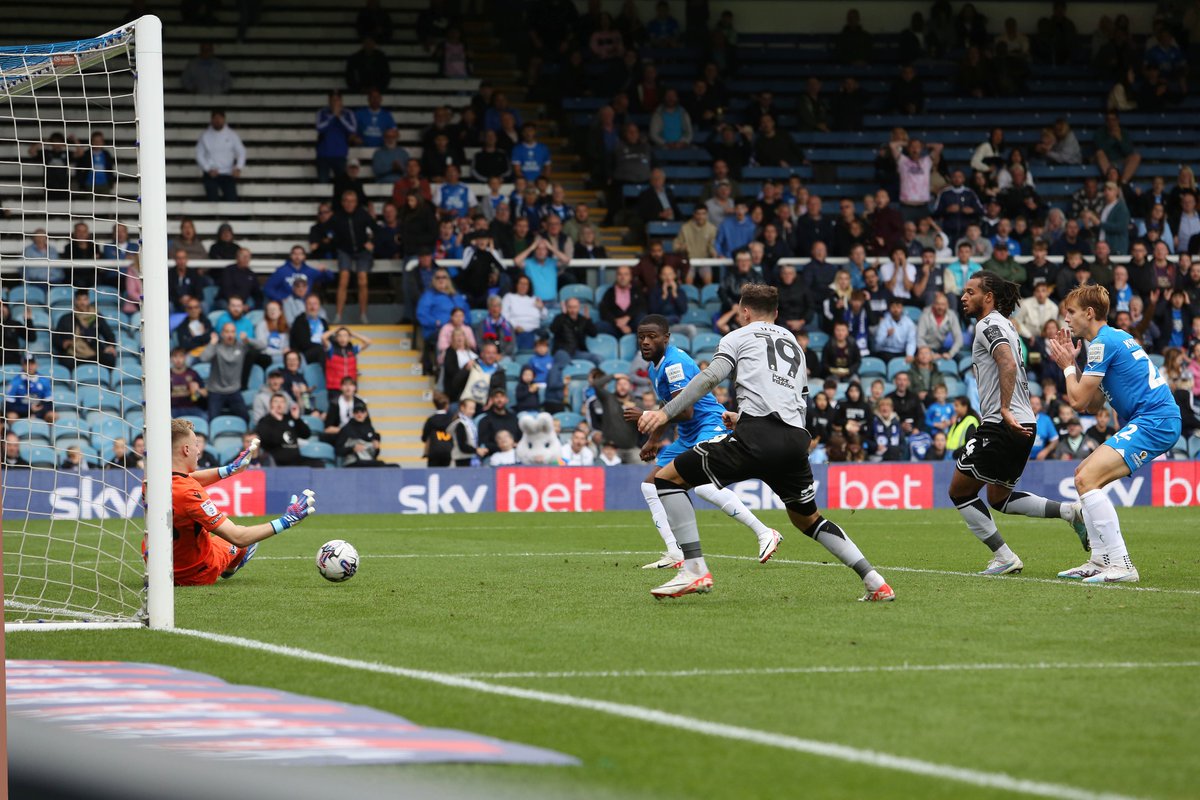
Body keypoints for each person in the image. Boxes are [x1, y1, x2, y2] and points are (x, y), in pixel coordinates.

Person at [636, 284, 894, 601]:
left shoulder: (737, 337)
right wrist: (743, 417)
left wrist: (663, 415)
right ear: (776, 313)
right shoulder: (794, 345)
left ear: (744, 311)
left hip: (757, 437)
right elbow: (796, 401)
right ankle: (876, 582)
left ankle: (694, 570)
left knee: (666, 480)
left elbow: (707, 379)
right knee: (809, 519)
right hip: (795, 440)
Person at [950, 271, 1089, 577]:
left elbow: (1008, 363)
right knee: (999, 498)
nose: (963, 297)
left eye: (970, 292)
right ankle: (1069, 511)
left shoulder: (988, 324)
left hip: (1002, 423)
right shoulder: (1007, 326)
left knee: (960, 492)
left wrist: (1002, 409)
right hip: (1024, 423)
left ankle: (1003, 557)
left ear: (989, 298)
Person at [1047, 285, 1183, 583]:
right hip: (1155, 418)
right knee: (1083, 476)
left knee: (1085, 478)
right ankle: (1099, 560)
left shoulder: (1102, 343)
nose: (1066, 318)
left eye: (1071, 312)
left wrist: (1068, 367)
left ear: (1089, 313)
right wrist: (1076, 365)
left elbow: (1078, 401)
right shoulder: (1112, 338)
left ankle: (1122, 565)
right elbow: (1094, 403)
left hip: (1155, 420)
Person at [625, 314, 781, 569]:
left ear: (666, 338)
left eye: (652, 337)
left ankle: (765, 532)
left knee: (703, 486)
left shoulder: (675, 364)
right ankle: (675, 552)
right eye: (641, 337)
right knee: (651, 486)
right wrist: (653, 440)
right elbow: (671, 406)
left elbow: (684, 410)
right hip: (688, 434)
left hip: (710, 426)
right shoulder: (657, 365)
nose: (645, 342)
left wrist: (646, 415)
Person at [170, 417, 315, 589]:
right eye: (195, 445)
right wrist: (287, 520)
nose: (199, 451)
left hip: (160, 569)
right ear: (186, 449)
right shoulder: (190, 493)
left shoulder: (151, 481)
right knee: (246, 539)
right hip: (194, 573)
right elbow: (238, 537)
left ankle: (230, 565)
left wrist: (229, 470)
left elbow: (186, 479)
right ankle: (230, 567)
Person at [198, 323, 260, 421]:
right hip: (215, 391)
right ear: (222, 334)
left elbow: (262, 346)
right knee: (212, 420)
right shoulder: (217, 347)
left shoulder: (241, 346)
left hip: (234, 390)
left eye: (232, 332)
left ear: (235, 333)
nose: (230, 335)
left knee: (246, 418)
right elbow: (203, 358)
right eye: (227, 332)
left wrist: (248, 340)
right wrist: (212, 343)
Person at [331, 190, 376, 324]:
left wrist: (372, 243)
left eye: (352, 201)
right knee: (343, 278)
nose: (349, 204)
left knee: (362, 279)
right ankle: (338, 315)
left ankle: (363, 315)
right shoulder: (337, 216)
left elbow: (378, 230)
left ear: (356, 203)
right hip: (345, 251)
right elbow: (325, 230)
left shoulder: (363, 215)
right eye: (346, 201)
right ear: (342, 202)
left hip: (362, 252)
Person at [255, 393, 321, 467]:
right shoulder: (265, 421)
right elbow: (268, 441)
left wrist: (297, 419)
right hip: (276, 461)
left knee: (318, 463)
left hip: (296, 460)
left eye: (282, 402)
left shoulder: (290, 418)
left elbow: (306, 434)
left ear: (285, 405)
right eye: (276, 401)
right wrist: (276, 420)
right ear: (270, 405)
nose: (279, 404)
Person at [195, 110, 245, 202]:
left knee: (232, 201)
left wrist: (238, 168)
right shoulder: (205, 135)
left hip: (228, 173)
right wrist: (208, 169)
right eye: (215, 118)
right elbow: (199, 154)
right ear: (211, 120)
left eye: (220, 118)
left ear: (224, 119)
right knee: (212, 199)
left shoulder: (232, 135)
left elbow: (241, 152)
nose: (217, 121)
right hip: (211, 173)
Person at [315, 91, 357, 183]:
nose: (335, 103)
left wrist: (340, 117)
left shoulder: (348, 113)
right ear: (329, 101)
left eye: (337, 100)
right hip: (323, 155)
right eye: (332, 100)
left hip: (340, 155)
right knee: (323, 184)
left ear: (341, 101)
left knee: (341, 184)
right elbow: (319, 128)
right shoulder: (322, 112)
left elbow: (352, 129)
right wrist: (333, 116)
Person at [4, 354, 55, 422]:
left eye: (32, 363)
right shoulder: (15, 382)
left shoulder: (44, 381)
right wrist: (29, 410)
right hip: (21, 412)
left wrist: (37, 412)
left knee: (53, 415)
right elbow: (9, 406)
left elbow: (49, 403)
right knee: (11, 416)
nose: (29, 366)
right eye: (26, 364)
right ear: (22, 365)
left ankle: (47, 431)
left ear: (37, 365)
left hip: (40, 411)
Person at [336, 399, 387, 466]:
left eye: (362, 411)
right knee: (380, 465)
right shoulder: (346, 429)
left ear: (366, 413)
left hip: (368, 461)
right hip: (353, 462)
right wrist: (352, 449)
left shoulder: (370, 429)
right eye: (356, 412)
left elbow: (374, 454)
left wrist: (377, 448)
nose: (359, 414)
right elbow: (338, 450)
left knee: (395, 466)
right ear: (353, 414)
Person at [421, 392, 454, 467]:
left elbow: (424, 438)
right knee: (445, 474)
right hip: (447, 451)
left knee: (433, 475)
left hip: (434, 451)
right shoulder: (451, 419)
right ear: (446, 405)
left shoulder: (431, 420)